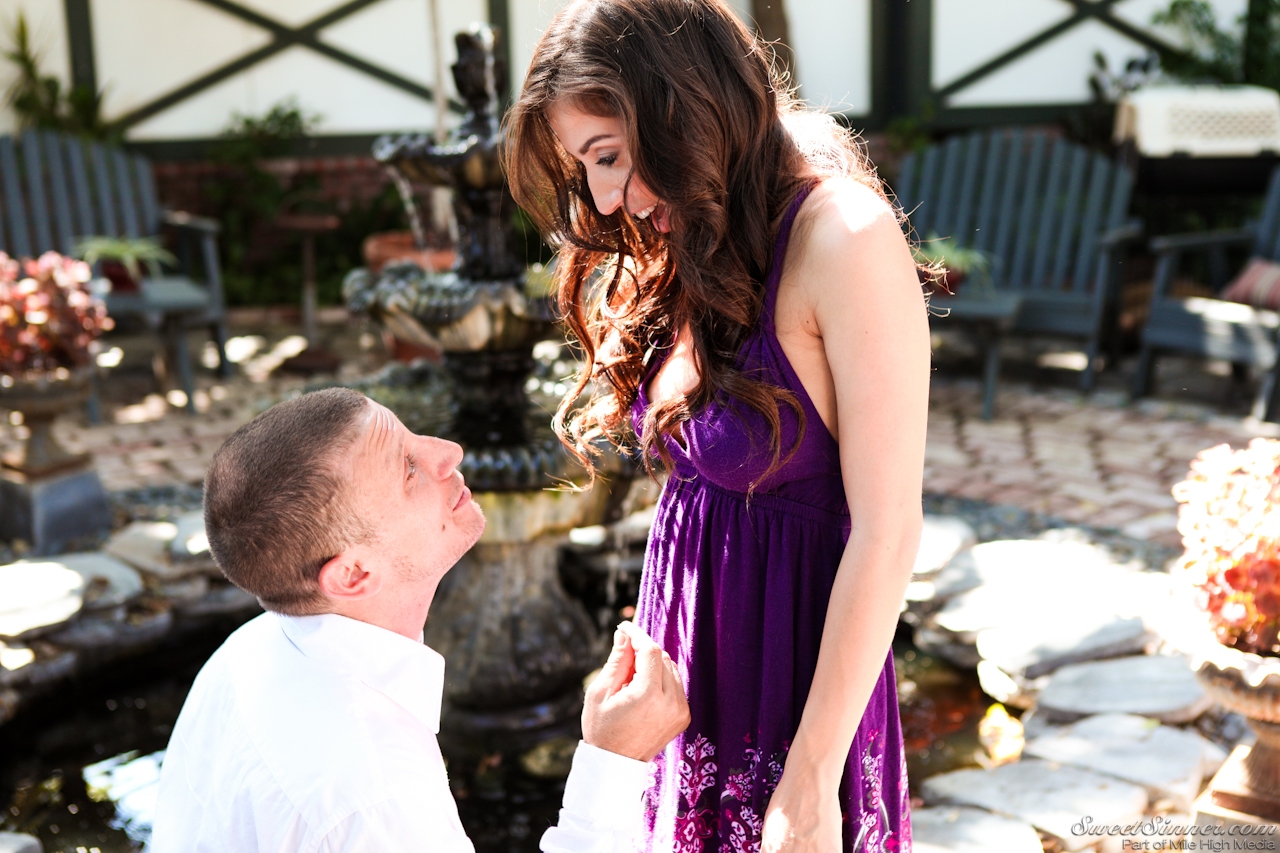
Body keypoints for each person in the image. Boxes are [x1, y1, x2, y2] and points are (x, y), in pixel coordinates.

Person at [505, 1, 930, 851]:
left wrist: (811, 775)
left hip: (795, 686)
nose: (604, 196)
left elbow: (887, 531)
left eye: (609, 155)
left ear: (683, 105)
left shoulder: (843, 237)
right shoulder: (696, 228)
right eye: (586, 167)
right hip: (689, 673)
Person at [149, 387, 690, 852]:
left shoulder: (251, 647)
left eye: (413, 436)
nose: (449, 452)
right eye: (408, 468)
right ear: (353, 574)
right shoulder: (371, 790)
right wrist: (614, 762)